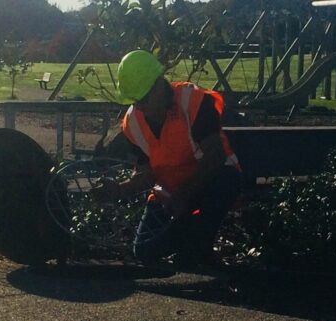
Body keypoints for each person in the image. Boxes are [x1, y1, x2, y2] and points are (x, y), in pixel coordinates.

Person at [98, 49, 242, 268]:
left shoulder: (193, 101)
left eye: (144, 99)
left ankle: (196, 251)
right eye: (136, 102)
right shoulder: (132, 123)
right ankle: (193, 248)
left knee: (226, 182)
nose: (141, 108)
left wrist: (185, 194)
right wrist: (119, 189)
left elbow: (215, 156)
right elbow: (145, 173)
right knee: (144, 250)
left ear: (159, 83)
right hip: (169, 193)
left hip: (208, 182)